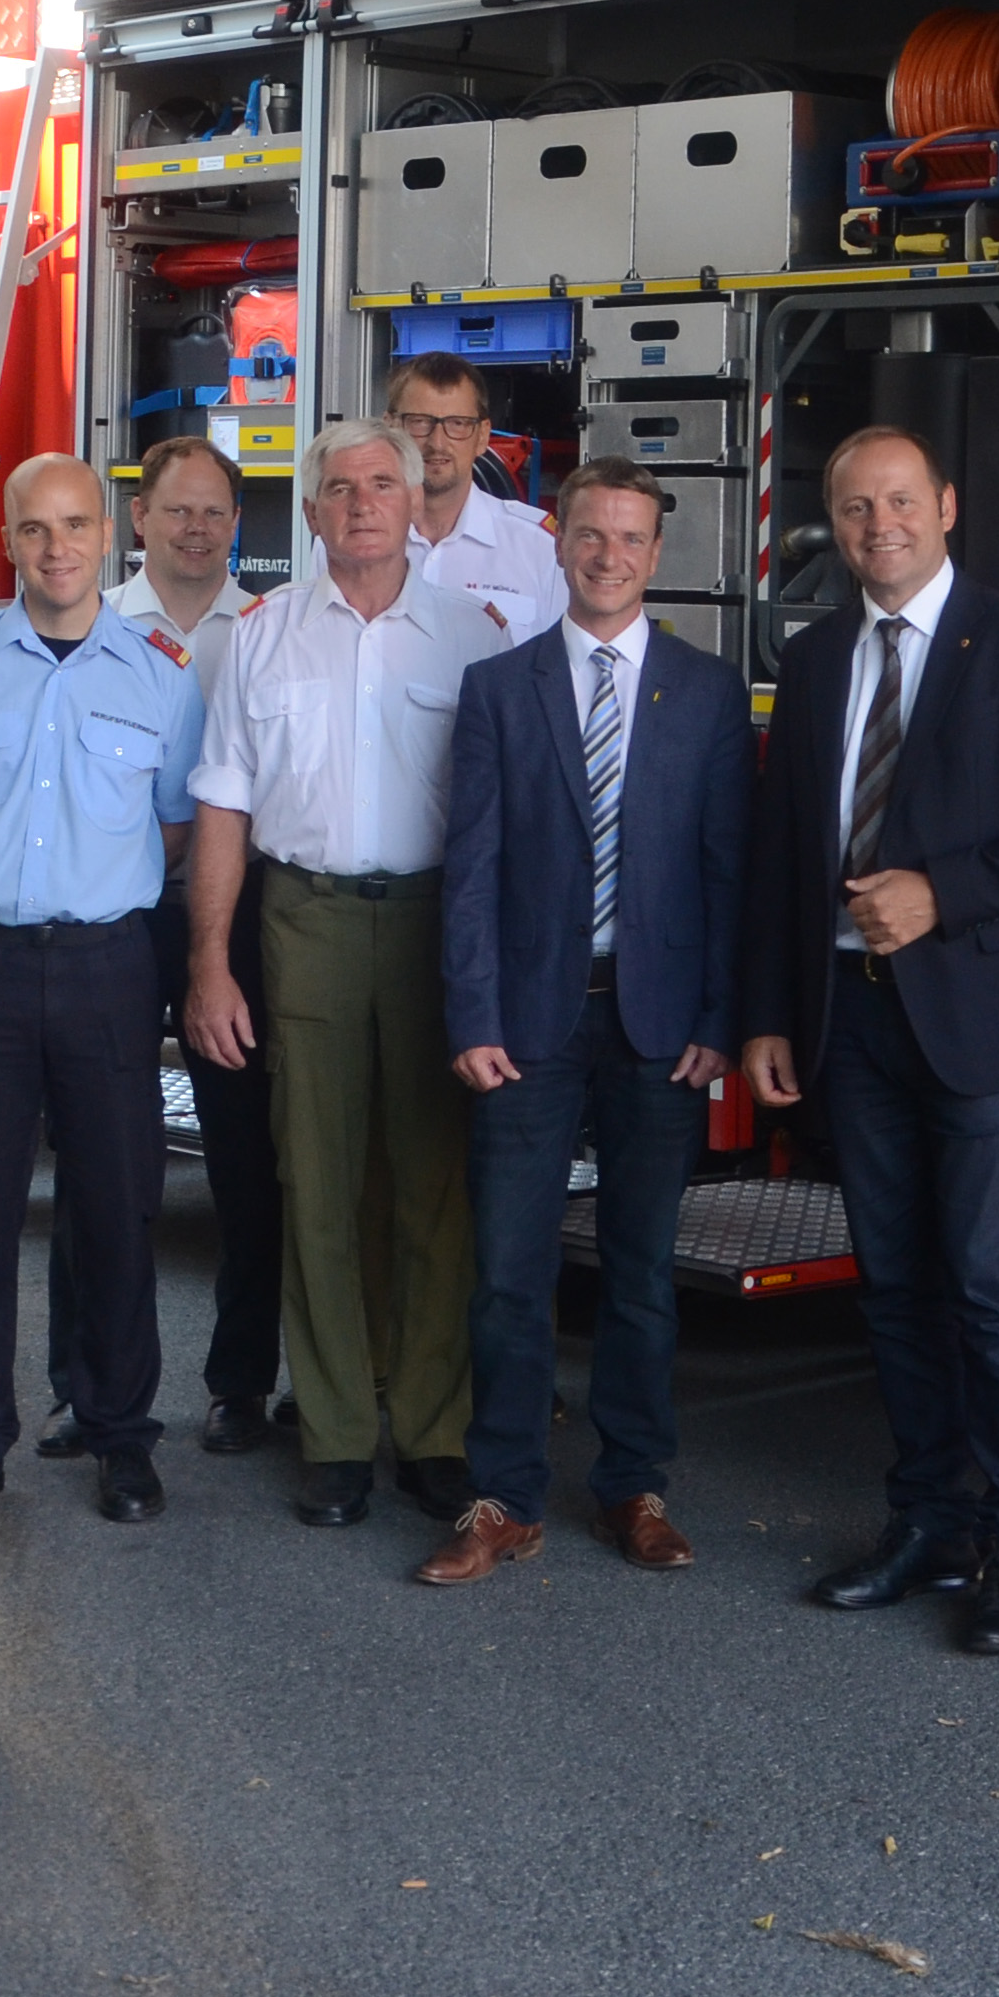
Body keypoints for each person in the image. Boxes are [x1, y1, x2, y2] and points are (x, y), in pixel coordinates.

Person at [748, 427, 999, 1656]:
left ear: (947, 506)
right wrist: (767, 1012)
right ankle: (928, 1519)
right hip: (849, 1018)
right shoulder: (809, 662)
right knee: (896, 1287)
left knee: (985, 1283)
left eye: (900, 501)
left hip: (974, 1015)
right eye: (854, 507)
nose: (879, 526)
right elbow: (780, 853)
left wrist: (939, 893)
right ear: (833, 524)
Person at [421, 459, 750, 1587]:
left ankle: (631, 1486)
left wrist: (717, 1016)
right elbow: (470, 870)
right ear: (558, 544)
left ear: (659, 553)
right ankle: (503, 1495)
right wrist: (470, 1013)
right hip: (526, 1025)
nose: (609, 555)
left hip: (662, 1030)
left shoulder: (707, 694)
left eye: (630, 538)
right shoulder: (500, 687)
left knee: (641, 1272)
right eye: (591, 535)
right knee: (509, 1273)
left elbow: (727, 872)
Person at [184, 417, 515, 1528]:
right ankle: (330, 1433)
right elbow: (222, 805)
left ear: (418, 501)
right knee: (313, 1181)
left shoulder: (474, 636)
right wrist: (210, 965)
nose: (364, 502)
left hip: (436, 930)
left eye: (385, 482)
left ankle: (431, 1429)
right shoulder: (263, 636)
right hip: (306, 921)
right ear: (313, 511)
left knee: (433, 1189)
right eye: (341, 487)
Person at [0, 455, 206, 1527]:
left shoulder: (160, 669)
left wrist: (92, 886)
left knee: (116, 1209)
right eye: (32, 530)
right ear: (7, 543)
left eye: (73, 526)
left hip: (111, 966)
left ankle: (119, 1435)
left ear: (108, 534)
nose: (55, 548)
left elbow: (178, 823)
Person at [91, 435, 288, 1459]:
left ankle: (239, 1380)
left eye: (216, 513)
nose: (198, 528)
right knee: (106, 1158)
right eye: (178, 510)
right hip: (116, 918)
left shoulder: (265, 631)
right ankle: (91, 1387)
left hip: (232, 921)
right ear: (138, 519)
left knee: (245, 1160)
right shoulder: (87, 623)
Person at [389, 352, 564, 641]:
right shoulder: (349, 539)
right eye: (419, 422)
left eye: (457, 423)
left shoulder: (541, 549)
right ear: (391, 427)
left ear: (482, 436)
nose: (437, 442)